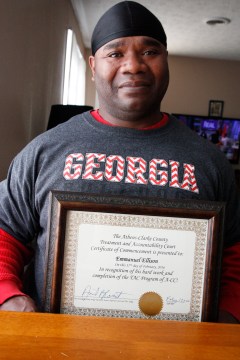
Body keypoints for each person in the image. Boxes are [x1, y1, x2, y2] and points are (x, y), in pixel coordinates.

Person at [0, 0, 239, 323]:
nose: (134, 65)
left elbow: (234, 254)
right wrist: (8, 296)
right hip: (60, 347)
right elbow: (5, 232)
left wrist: (228, 314)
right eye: (115, 53)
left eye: (150, 52)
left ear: (166, 60)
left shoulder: (210, 162)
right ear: (93, 65)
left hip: (177, 349)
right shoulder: (45, 151)